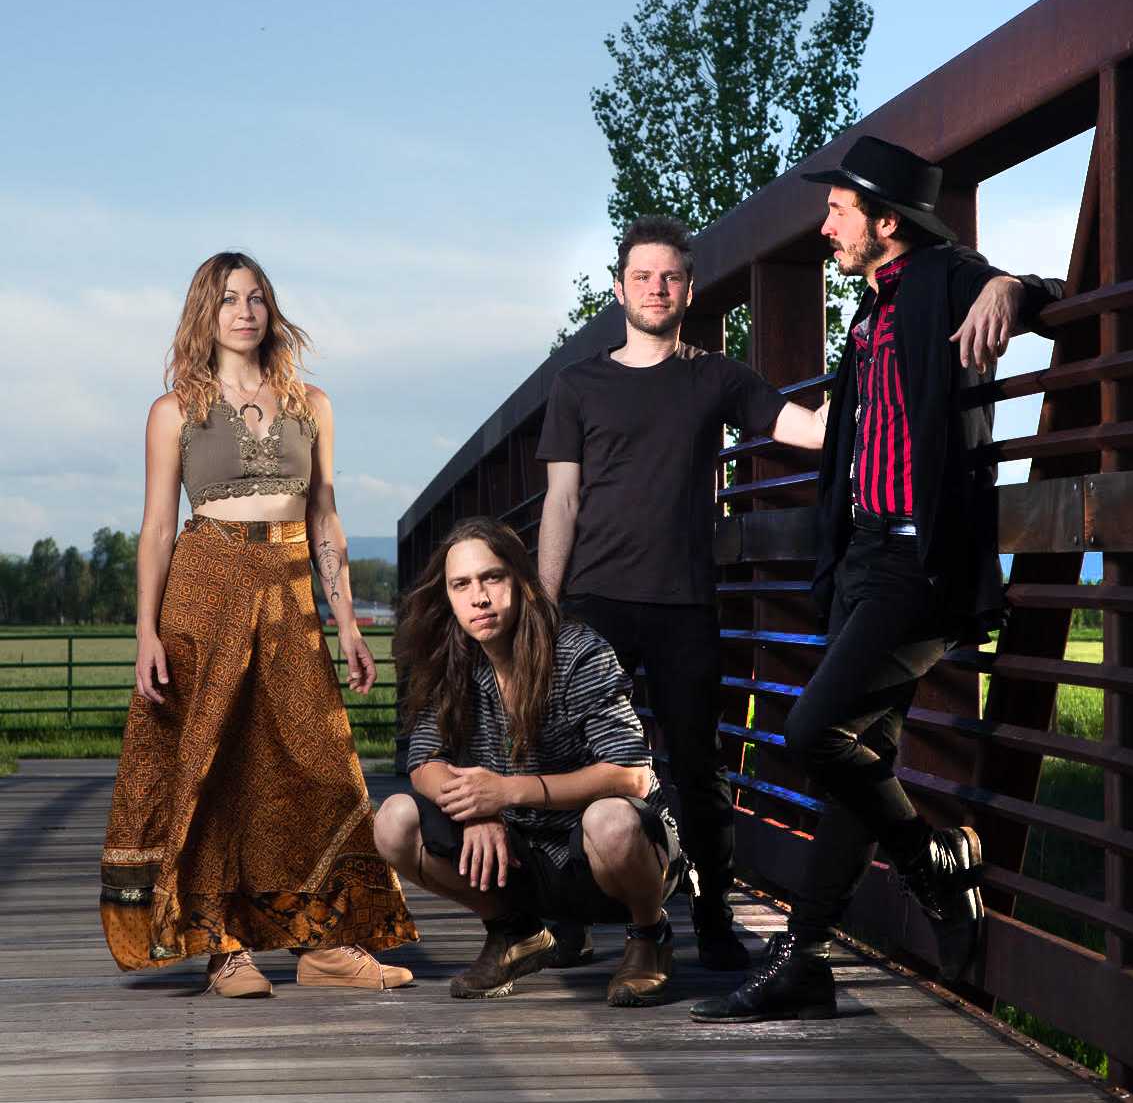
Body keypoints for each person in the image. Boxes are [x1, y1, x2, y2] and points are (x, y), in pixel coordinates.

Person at [692, 137, 1064, 1023]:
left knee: (814, 728)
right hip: (862, 559)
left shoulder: (941, 278)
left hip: (916, 561)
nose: (826, 227)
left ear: (886, 222)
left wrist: (1011, 291)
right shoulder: (864, 320)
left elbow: (1038, 291)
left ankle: (933, 860)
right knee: (864, 752)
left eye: (839, 212)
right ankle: (805, 958)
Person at [100, 251, 417, 997]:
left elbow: (326, 518)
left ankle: (327, 943)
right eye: (228, 299)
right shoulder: (173, 409)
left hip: (290, 587)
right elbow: (154, 529)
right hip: (204, 587)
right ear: (204, 313)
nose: (245, 310)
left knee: (317, 759)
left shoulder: (311, 403)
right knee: (217, 763)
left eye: (257, 298)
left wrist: (345, 621)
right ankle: (224, 946)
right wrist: (145, 631)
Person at [535, 214, 828, 971]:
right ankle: (563, 918)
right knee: (566, 758)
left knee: (698, 767)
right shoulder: (578, 385)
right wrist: (542, 605)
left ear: (688, 289)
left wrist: (883, 362)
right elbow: (559, 503)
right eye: (642, 276)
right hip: (592, 602)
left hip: (683, 603)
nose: (655, 288)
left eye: (669, 276)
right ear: (618, 289)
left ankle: (714, 922)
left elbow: (810, 428)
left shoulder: (715, 376)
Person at [375, 517, 684, 1006]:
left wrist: (507, 791)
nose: (479, 597)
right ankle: (515, 933)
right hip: (517, 856)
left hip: (601, 859)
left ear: (521, 582)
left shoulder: (578, 652)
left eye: (491, 578)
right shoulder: (452, 658)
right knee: (395, 820)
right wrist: (478, 809)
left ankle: (649, 936)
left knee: (612, 820)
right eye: (462, 585)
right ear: (449, 597)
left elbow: (630, 773)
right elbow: (423, 762)